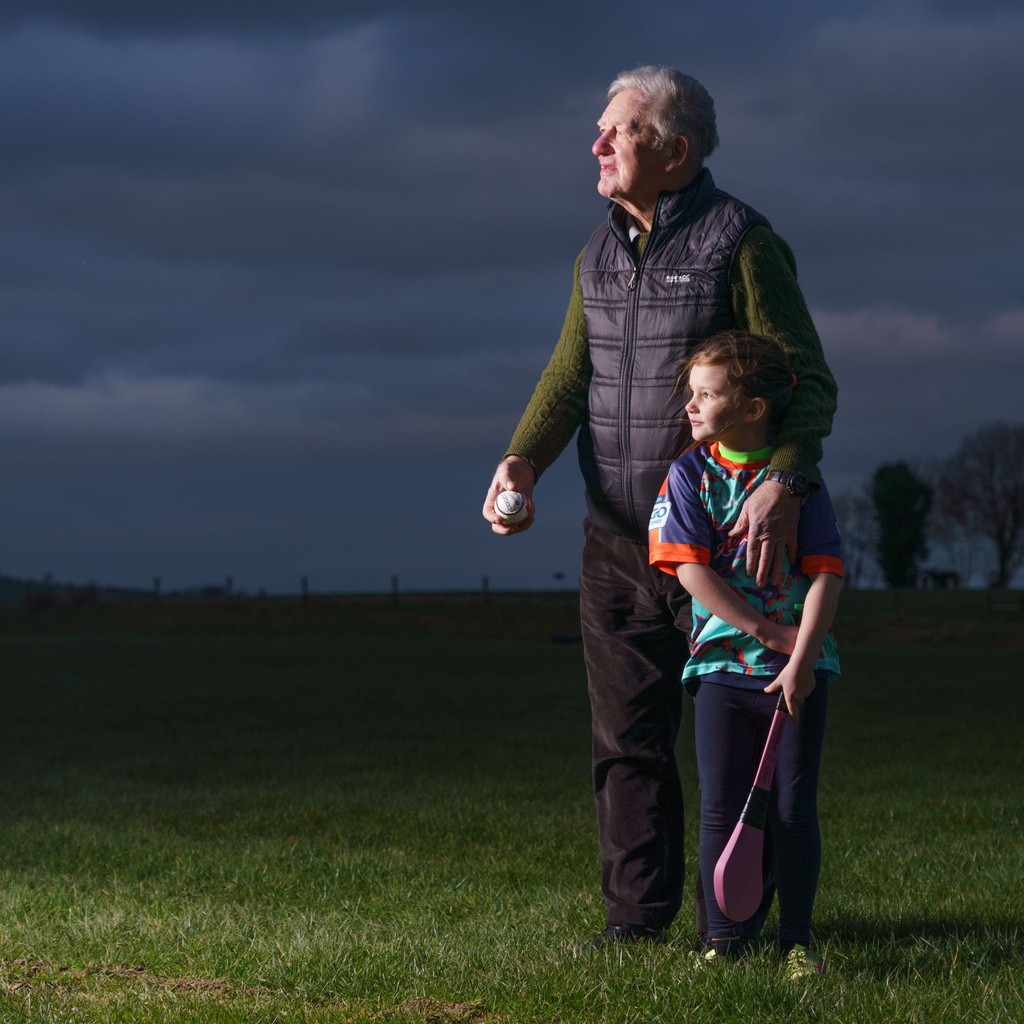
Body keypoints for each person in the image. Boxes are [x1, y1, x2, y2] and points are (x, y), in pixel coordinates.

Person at [481, 65, 838, 947]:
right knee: (626, 744)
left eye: (622, 131)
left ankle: (740, 927)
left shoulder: (742, 242)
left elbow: (810, 382)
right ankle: (635, 927)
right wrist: (520, 464)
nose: (598, 144)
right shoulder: (595, 254)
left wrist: (783, 481)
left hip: (726, 553)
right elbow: (570, 378)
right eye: (602, 129)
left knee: (746, 761)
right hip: (615, 541)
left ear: (676, 151)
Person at [648, 330, 842, 977]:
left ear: (754, 407)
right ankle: (723, 942)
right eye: (692, 394)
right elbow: (691, 573)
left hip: (800, 675)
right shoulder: (689, 474)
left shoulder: (799, 484)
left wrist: (802, 657)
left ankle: (796, 943)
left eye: (707, 395)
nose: (691, 407)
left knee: (791, 807)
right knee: (723, 807)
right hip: (720, 672)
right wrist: (768, 633)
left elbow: (826, 575)